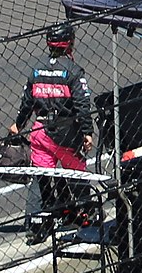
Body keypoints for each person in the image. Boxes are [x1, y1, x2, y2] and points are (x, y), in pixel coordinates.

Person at [9, 27, 96, 243]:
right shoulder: (74, 71)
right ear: (69, 43)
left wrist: (18, 125)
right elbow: (82, 106)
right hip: (66, 134)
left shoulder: (36, 70)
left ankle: (37, 225)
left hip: (39, 132)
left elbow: (26, 102)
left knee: (42, 179)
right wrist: (87, 132)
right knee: (77, 176)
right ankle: (87, 216)